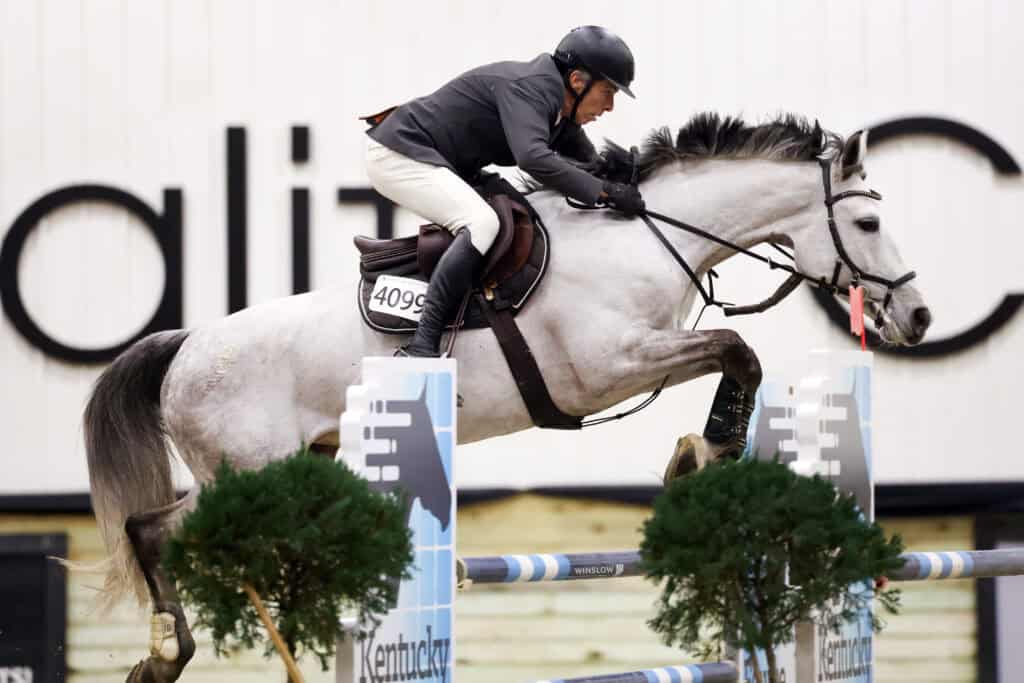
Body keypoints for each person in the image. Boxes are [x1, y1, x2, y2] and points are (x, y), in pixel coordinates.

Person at [364, 25, 645, 357]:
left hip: (442, 161)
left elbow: (588, 164)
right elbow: (533, 158)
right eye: (608, 92)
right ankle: (423, 343)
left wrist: (622, 178)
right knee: (481, 223)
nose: (610, 107)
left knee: (528, 215)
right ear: (578, 81)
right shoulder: (531, 90)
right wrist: (605, 193)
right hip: (399, 154)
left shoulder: (557, 109)